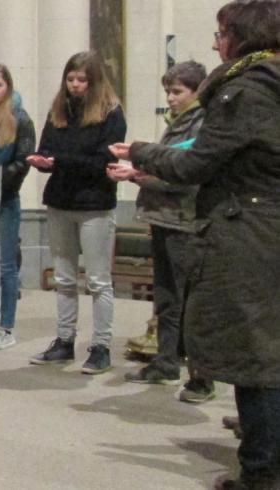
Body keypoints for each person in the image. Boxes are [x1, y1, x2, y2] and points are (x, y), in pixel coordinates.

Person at [108, 2, 280, 486]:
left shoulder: (246, 90)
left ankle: (260, 470)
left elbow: (194, 164)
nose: (215, 44)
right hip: (268, 225)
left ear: (242, 37)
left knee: (255, 355)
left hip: (249, 233)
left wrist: (140, 151)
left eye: (221, 34)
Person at [115, 61, 215, 404]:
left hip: (185, 220)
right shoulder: (178, 122)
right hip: (163, 217)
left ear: (196, 92)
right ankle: (167, 362)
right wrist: (140, 175)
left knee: (190, 301)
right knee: (167, 296)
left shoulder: (201, 123)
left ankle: (202, 377)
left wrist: (141, 176)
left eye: (177, 92)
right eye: (168, 92)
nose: (170, 98)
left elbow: (189, 175)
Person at [27, 51, 127, 374]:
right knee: (64, 278)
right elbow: (47, 148)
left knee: (98, 280)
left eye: (81, 80)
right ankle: (64, 341)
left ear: (94, 81)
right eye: (70, 79)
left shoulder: (111, 112)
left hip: (94, 204)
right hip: (60, 201)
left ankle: (100, 347)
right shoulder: (59, 109)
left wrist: (60, 160)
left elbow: (103, 162)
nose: (74, 85)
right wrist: (43, 161)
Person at [0, 64, 36, 351]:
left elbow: (23, 161)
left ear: (8, 87)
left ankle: (6, 326)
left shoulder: (20, 118)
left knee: (5, 266)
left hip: (6, 199)